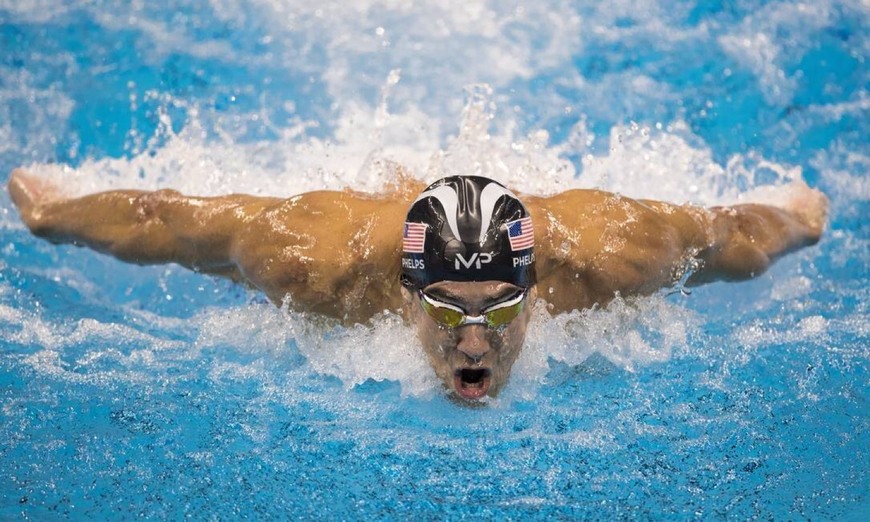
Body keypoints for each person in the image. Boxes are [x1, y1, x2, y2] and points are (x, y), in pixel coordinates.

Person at [7, 168, 828, 400]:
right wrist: (56, 215)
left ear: (537, 287)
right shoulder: (315, 262)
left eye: (500, 308)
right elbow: (168, 221)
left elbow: (733, 235)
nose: (475, 346)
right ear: (404, 292)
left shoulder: (609, 256)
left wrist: (802, 216)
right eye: (447, 310)